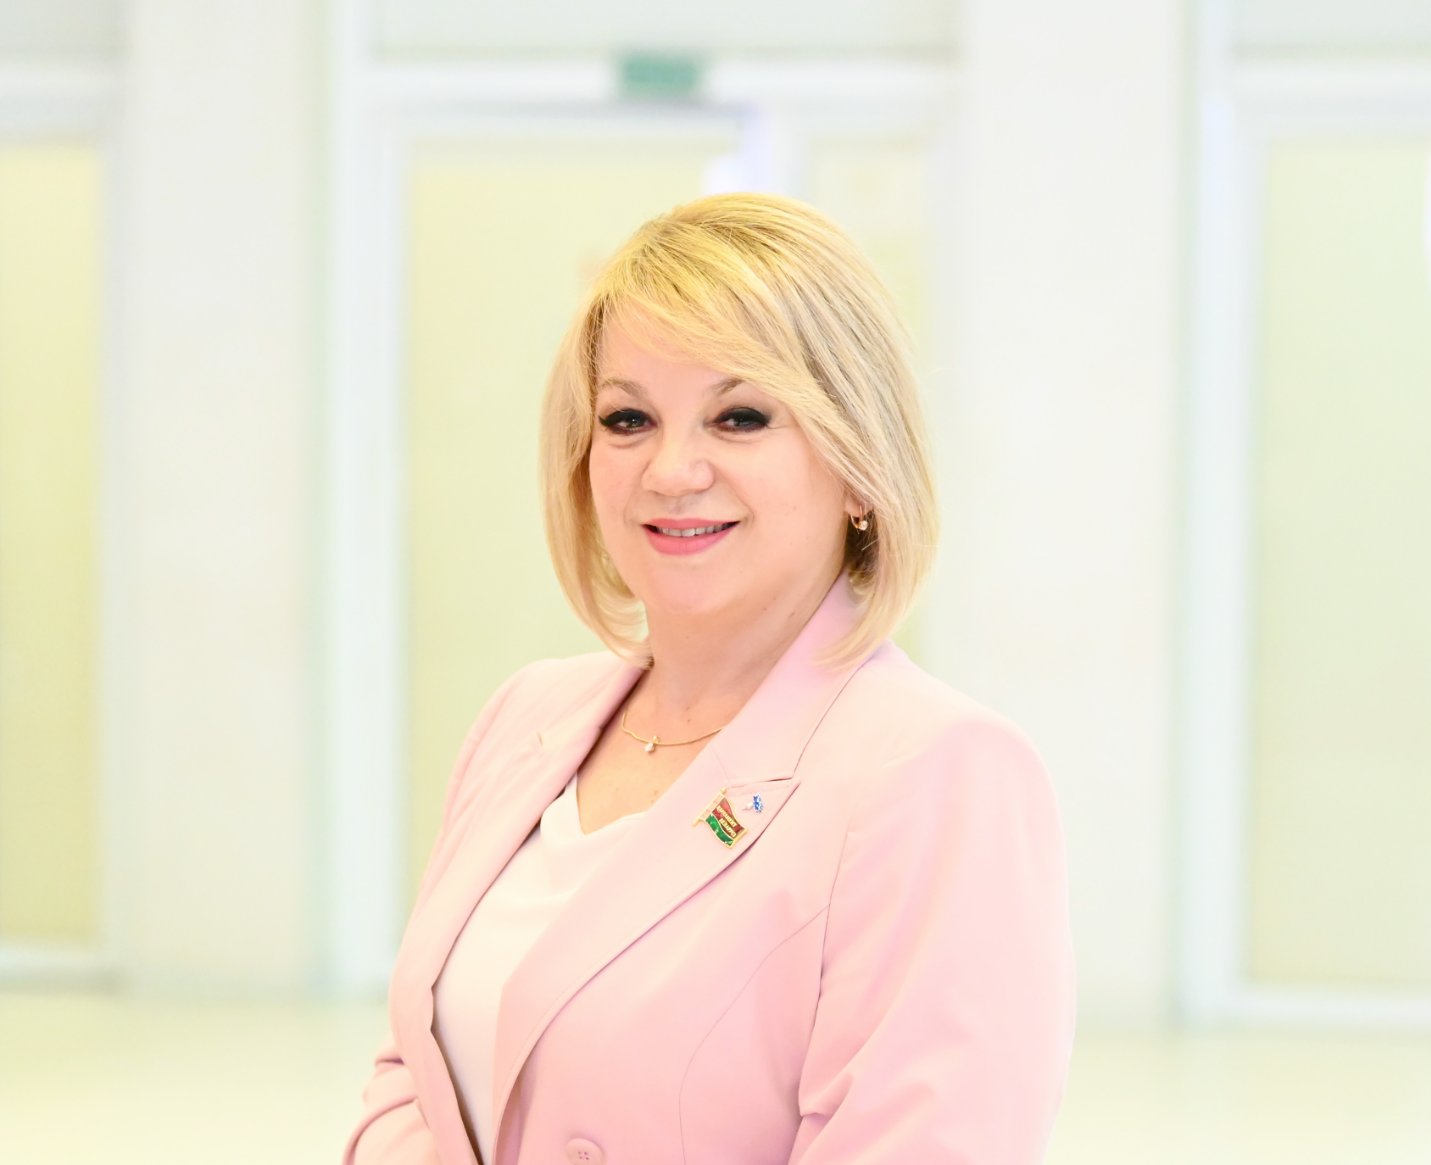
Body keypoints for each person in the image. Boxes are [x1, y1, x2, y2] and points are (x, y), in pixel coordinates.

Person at [345, 191, 1075, 1165]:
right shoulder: (528, 717)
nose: (672, 469)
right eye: (628, 418)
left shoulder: (936, 772)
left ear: (860, 463)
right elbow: (413, 1069)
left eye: (738, 416)